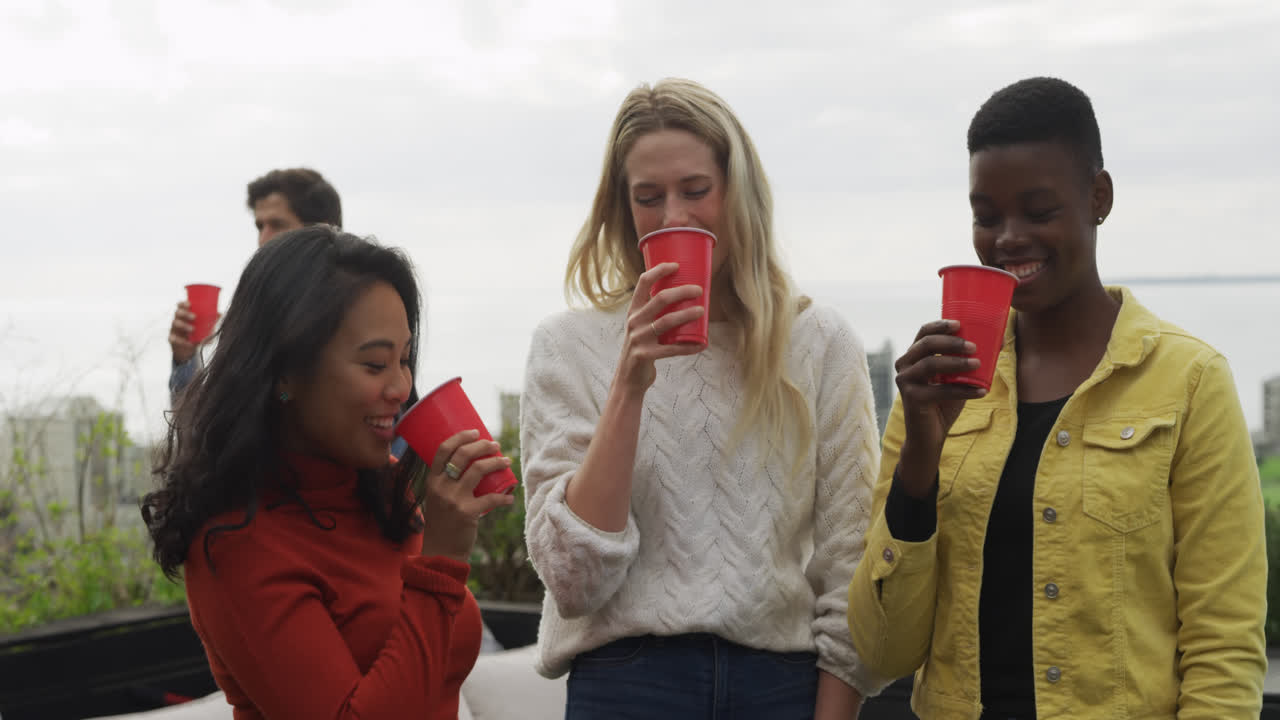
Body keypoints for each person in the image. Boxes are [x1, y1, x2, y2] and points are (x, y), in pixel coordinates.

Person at [847, 76, 1267, 720]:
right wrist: (918, 468)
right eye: (986, 216)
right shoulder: (934, 389)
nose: (1007, 238)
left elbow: (1224, 644)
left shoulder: (1189, 382)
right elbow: (883, 650)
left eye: (1038, 211)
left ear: (1098, 197)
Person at [520, 78, 882, 719]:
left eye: (696, 190)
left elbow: (849, 566)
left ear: (738, 195)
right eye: (648, 197)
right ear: (621, 210)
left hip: (781, 685)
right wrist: (628, 384)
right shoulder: (568, 346)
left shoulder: (819, 343)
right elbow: (574, 581)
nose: (673, 218)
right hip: (627, 684)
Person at [142, 226, 514, 719]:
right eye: (375, 364)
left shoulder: (383, 486)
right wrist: (442, 564)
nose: (401, 386)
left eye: (404, 360)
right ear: (285, 372)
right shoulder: (235, 540)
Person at [167, 168, 343, 397]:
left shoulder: (357, 311)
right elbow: (201, 425)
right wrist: (186, 359)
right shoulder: (255, 318)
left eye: (277, 225)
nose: (263, 239)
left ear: (322, 231)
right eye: (260, 226)